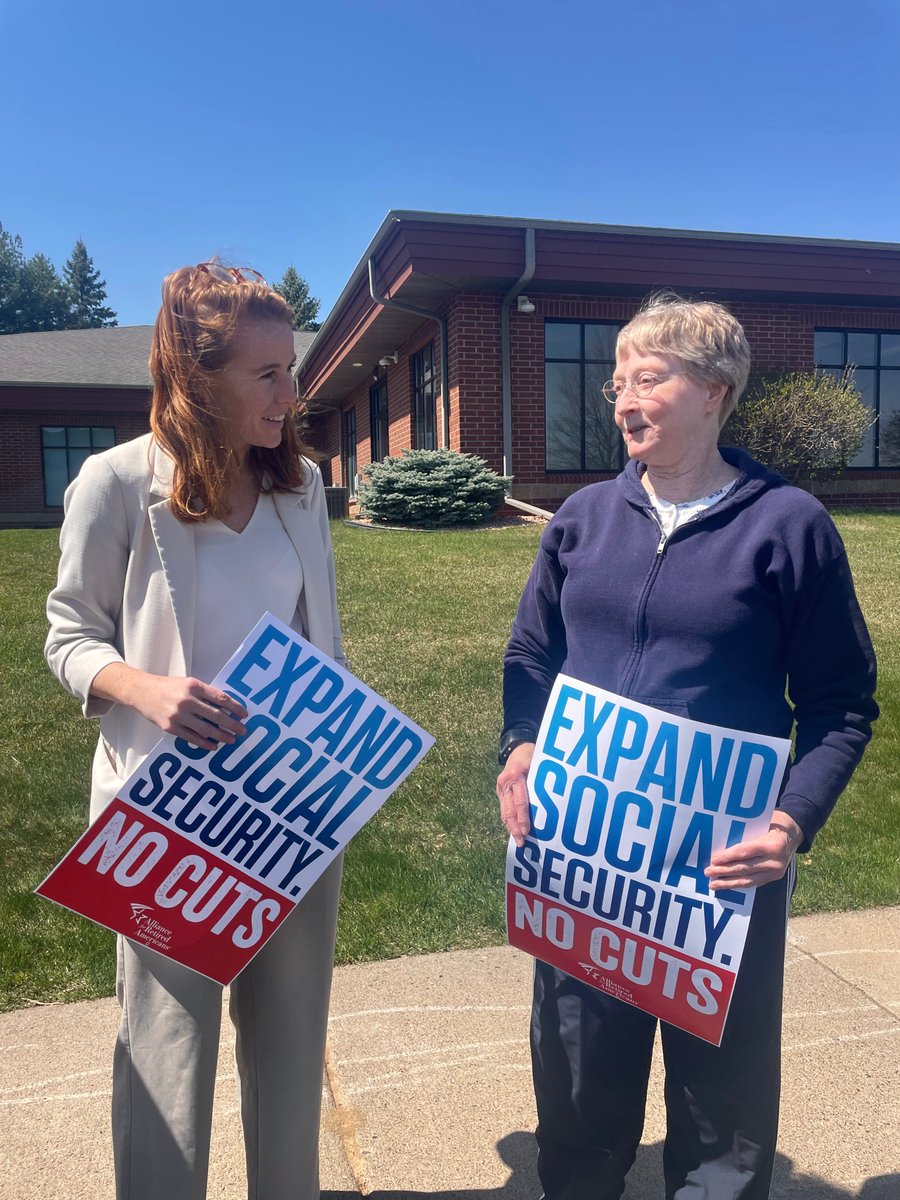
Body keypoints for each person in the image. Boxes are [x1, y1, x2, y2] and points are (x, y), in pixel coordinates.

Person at [496, 294, 877, 1200]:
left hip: (718, 872)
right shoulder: (582, 520)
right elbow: (529, 657)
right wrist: (519, 747)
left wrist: (791, 820)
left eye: (648, 377)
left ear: (716, 390)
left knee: (721, 1122)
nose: (621, 396)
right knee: (580, 1097)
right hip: (586, 859)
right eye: (616, 380)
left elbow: (840, 703)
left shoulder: (788, 528)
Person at [45, 261, 345, 1200]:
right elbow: (68, 636)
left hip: (288, 811)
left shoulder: (300, 489)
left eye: (291, 370)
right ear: (196, 379)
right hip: (167, 824)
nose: (291, 394)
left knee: (293, 1055)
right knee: (169, 1059)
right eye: (267, 375)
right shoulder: (115, 483)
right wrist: (146, 690)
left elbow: (318, 640)